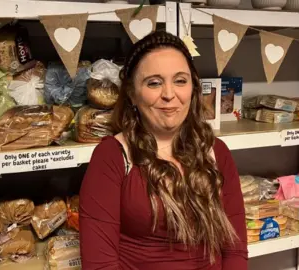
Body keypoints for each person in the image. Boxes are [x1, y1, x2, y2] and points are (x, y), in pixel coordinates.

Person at [79, 31, 247, 269]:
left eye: (180, 80)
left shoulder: (216, 153)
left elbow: (234, 249)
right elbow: (100, 265)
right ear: (132, 94)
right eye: (154, 83)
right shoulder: (112, 157)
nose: (169, 94)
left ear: (193, 88)